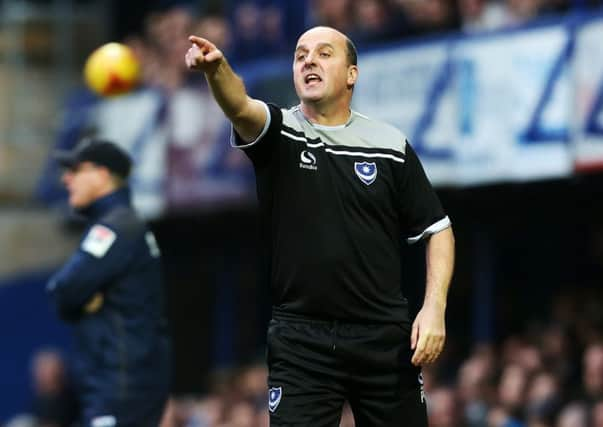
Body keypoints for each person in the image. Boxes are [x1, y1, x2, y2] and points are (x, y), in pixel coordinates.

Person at [185, 25, 455, 426]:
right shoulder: (279, 132)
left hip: (383, 339)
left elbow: (438, 230)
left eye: (324, 53)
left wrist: (434, 308)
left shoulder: (390, 145)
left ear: (352, 74)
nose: (308, 59)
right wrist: (216, 70)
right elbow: (240, 106)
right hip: (302, 342)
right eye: (300, 54)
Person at [46, 139, 171, 427]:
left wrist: (78, 303)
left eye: (75, 169)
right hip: (127, 381)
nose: (67, 178)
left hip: (121, 384)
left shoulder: (116, 227)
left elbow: (62, 291)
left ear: (102, 175)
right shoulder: (124, 223)